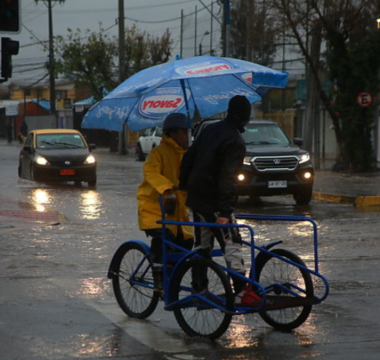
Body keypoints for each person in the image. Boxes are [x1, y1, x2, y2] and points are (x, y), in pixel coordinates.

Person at [179, 95, 261, 307]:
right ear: (245, 118)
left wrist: (183, 183)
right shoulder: (235, 140)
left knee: (201, 245)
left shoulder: (209, 129)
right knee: (232, 244)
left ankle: (200, 288)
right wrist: (225, 212)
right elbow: (228, 179)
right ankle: (241, 291)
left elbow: (188, 158)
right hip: (216, 202)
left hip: (197, 198)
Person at [137, 113, 194, 290]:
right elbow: (151, 173)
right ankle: (159, 276)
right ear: (173, 134)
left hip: (178, 212)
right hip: (154, 208)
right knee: (164, 240)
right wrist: (167, 188)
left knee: (187, 242)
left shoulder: (187, 155)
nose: (187, 137)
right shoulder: (158, 153)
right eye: (184, 133)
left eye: (188, 132)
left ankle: (173, 276)